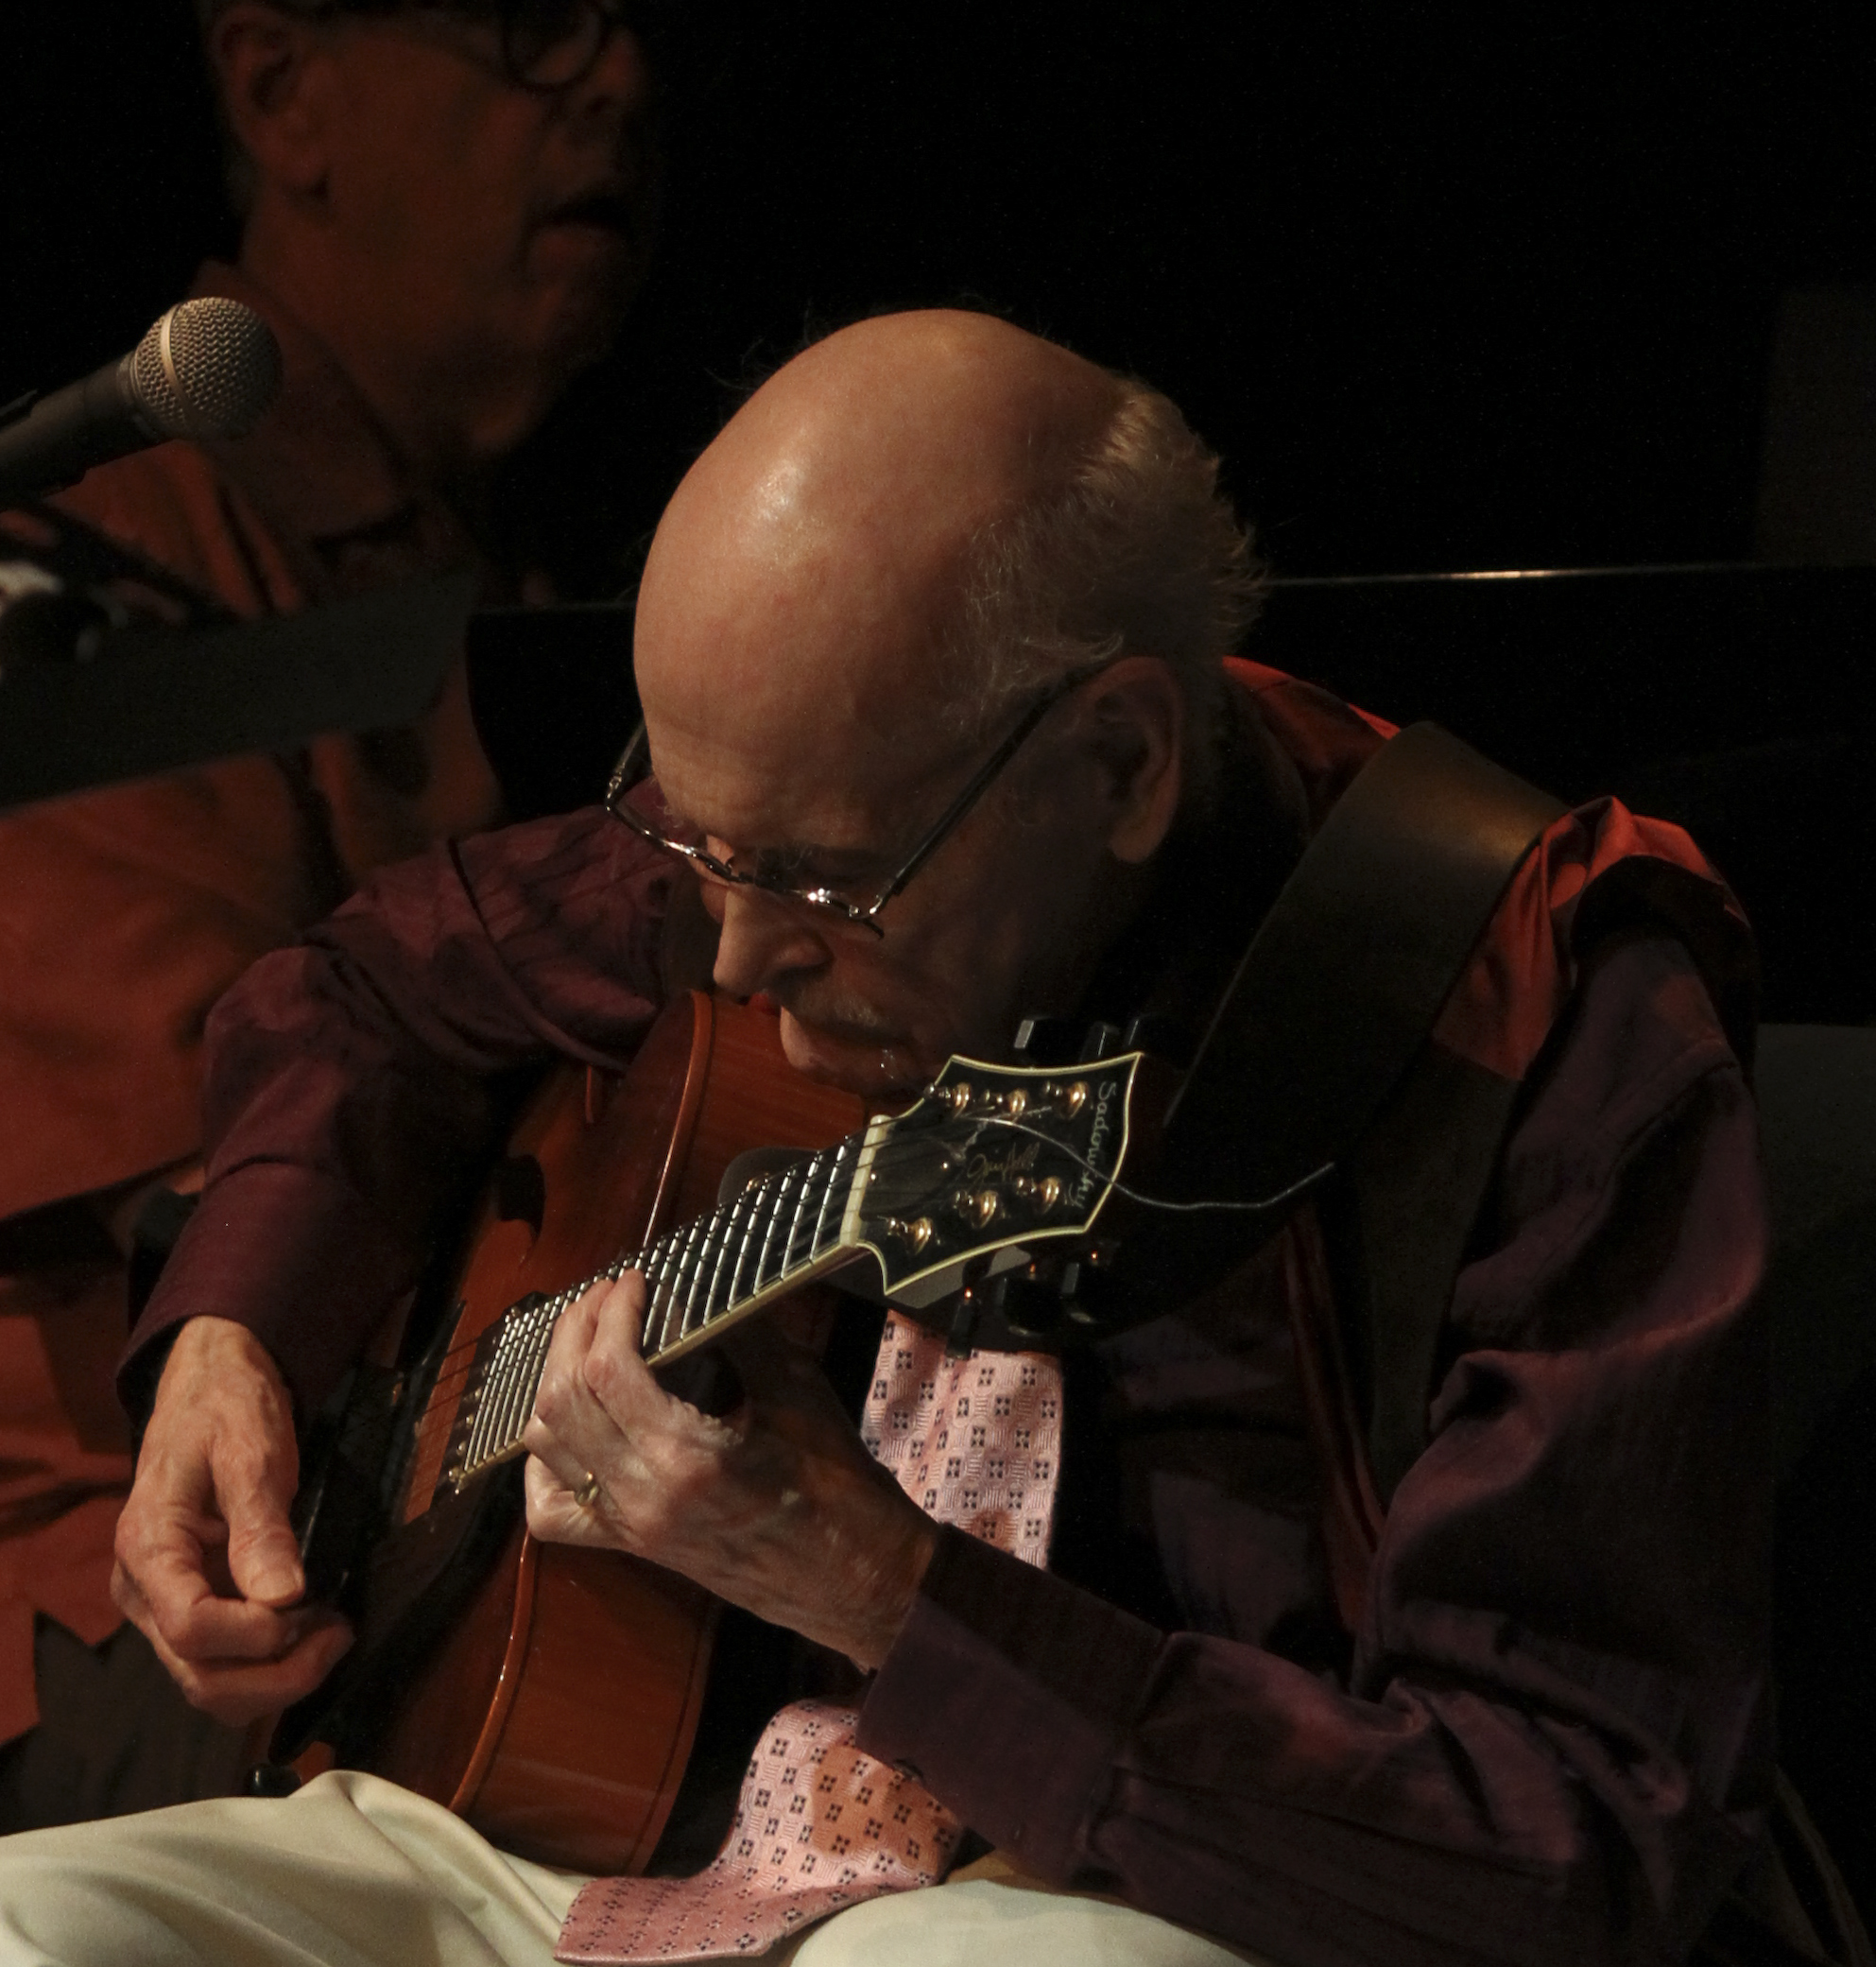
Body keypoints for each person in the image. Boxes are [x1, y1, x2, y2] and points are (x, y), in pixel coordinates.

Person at [0, 310, 1790, 1967]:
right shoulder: (780, 828)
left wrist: (890, 1595)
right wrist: (235, 1336)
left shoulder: (1541, 1013)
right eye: (692, 847)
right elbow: (360, 991)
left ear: (1117, 764)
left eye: (807, 883)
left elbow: (1571, 1839)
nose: (726, 951)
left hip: (1076, 1889)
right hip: (573, 1839)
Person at [0, 0, 657, 1827]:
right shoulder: (85, 578)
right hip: (123, 1591)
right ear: (284, 87)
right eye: (534, 26)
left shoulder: (537, 570)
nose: (612, 79)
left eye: (629, 26)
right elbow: (211, 1179)